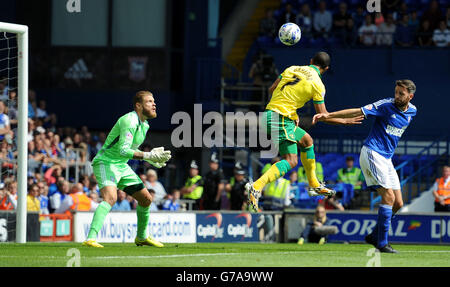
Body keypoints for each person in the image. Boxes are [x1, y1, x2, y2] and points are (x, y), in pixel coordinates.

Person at [246, 51, 363, 211]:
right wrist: (344, 120)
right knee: (291, 160)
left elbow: (272, 89)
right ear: (326, 69)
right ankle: (257, 186)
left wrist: (291, 112)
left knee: (307, 140)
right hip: (280, 118)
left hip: (270, 115)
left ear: (311, 61)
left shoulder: (292, 68)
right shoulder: (318, 84)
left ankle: (314, 185)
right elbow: (322, 116)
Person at [313, 79, 418, 253]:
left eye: (401, 93)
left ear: (410, 96)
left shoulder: (413, 111)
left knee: (398, 203)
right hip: (372, 153)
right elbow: (357, 110)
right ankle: (382, 243)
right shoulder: (385, 105)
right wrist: (328, 115)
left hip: (387, 159)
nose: (397, 96)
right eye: (396, 92)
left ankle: (373, 235)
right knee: (388, 197)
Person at [82, 90, 171, 248]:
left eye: (154, 101)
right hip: (106, 162)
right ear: (138, 105)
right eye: (149, 101)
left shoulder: (145, 124)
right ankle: (90, 238)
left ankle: (142, 237)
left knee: (146, 199)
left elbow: (126, 153)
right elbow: (123, 150)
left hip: (121, 165)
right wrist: (148, 156)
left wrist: (149, 157)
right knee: (110, 198)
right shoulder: (129, 120)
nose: (154, 104)